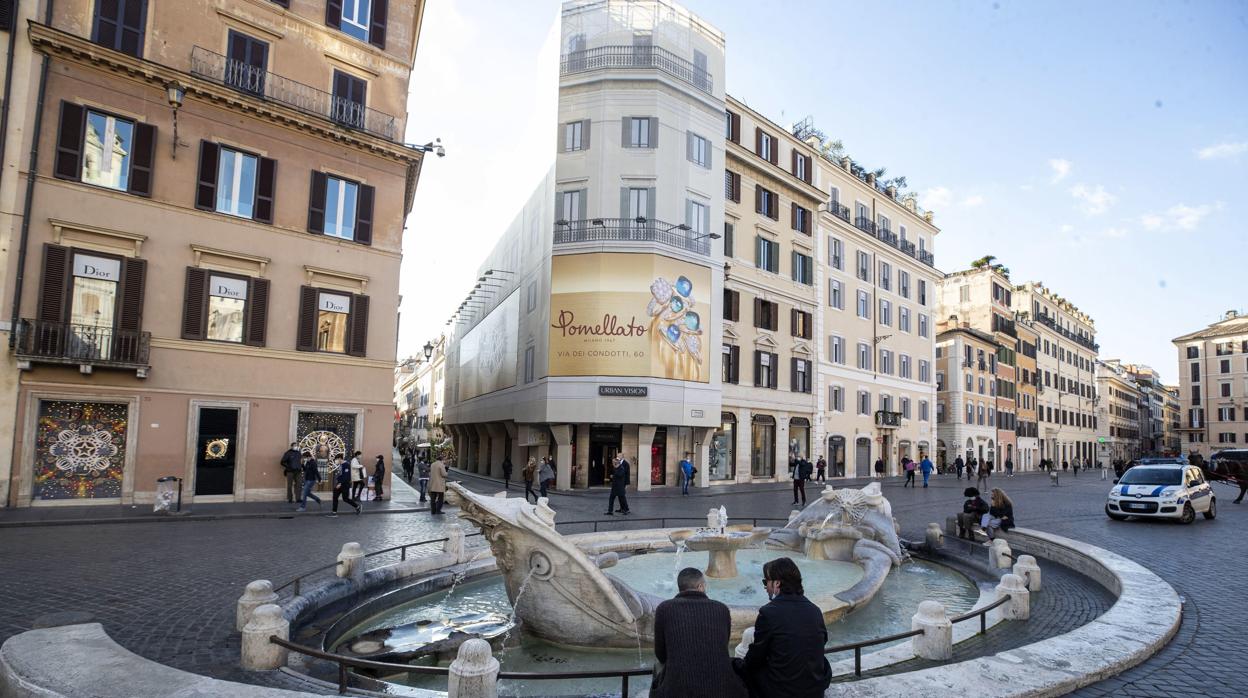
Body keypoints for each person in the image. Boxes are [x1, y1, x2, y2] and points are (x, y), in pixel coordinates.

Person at [735, 557, 832, 698]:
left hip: (782, 691)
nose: (765, 586)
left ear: (777, 583)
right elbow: (821, 643)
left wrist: (738, 665)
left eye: (766, 581)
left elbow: (756, 657)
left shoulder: (769, 612)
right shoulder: (815, 610)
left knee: (741, 667)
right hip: (815, 689)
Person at [651, 568, 747, 698]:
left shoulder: (664, 608)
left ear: (680, 587)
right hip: (722, 689)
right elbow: (723, 645)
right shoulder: (721, 609)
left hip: (678, 689)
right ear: (701, 586)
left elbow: (661, 654)